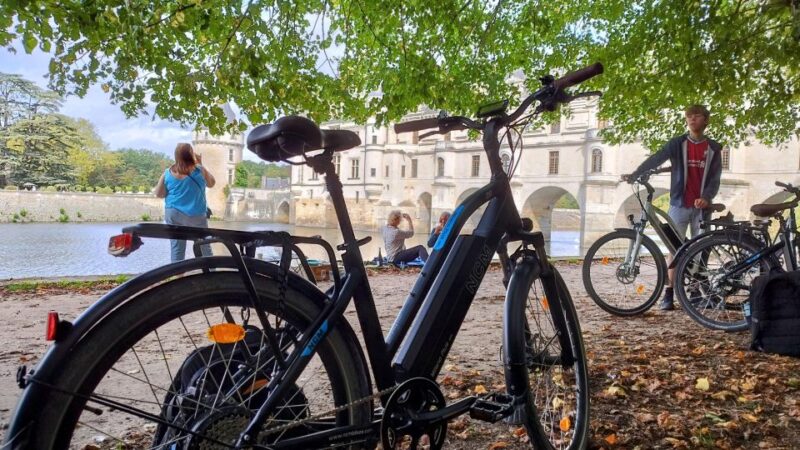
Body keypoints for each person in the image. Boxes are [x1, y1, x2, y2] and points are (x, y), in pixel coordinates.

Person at [626, 105, 723, 311]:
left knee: (700, 250)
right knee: (674, 249)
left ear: (705, 120)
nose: (692, 119)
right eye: (689, 116)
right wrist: (635, 173)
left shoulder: (714, 148)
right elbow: (656, 158)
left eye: (696, 116)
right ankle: (669, 293)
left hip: (702, 208)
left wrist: (706, 197)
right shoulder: (677, 144)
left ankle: (695, 292)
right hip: (679, 203)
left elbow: (714, 179)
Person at [154, 143, 216, 262]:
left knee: (177, 247)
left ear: (176, 156)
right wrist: (200, 164)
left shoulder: (167, 173)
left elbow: (159, 194)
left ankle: (178, 275)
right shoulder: (199, 171)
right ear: (191, 155)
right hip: (196, 214)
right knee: (204, 244)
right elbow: (212, 183)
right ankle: (211, 274)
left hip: (174, 213)